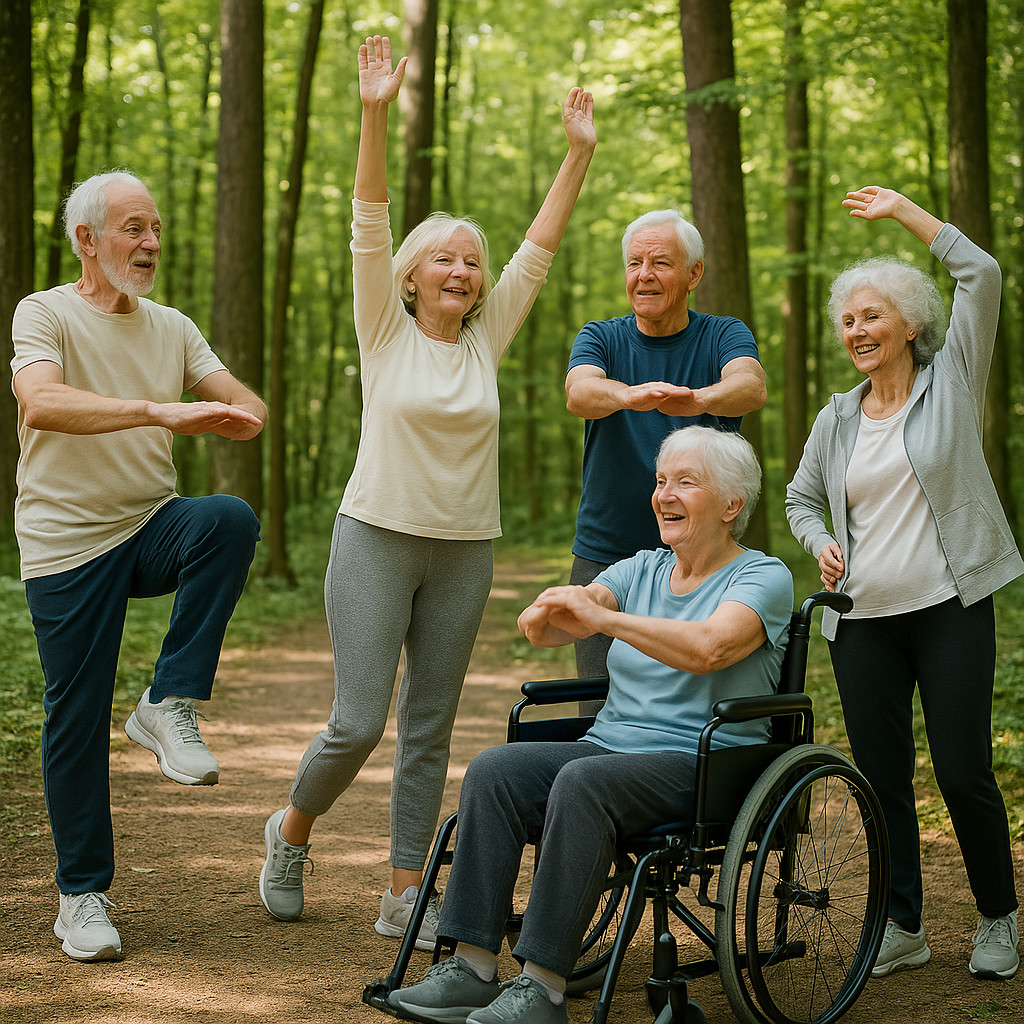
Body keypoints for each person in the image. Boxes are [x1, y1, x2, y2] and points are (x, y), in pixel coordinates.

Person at [258, 35, 596, 949]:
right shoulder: (383, 328)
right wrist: (374, 111)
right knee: (359, 720)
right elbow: (369, 212)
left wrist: (578, 154)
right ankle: (290, 833)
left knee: (430, 727)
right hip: (376, 535)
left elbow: (539, 246)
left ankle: (405, 890)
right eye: (444, 259)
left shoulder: (488, 338)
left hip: (463, 548)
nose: (461, 271)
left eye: (471, 263)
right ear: (410, 275)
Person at [387, 425, 793, 1024]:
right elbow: (549, 627)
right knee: (495, 771)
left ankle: (543, 990)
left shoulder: (763, 577)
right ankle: (471, 969)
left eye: (686, 481)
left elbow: (710, 648)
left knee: (582, 782)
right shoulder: (640, 570)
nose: (664, 495)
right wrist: (558, 608)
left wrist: (607, 622)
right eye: (660, 482)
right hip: (609, 747)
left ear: (733, 504)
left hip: (704, 763)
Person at [11, 171, 267, 962]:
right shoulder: (44, 312)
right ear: (87, 240)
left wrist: (233, 408)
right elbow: (41, 404)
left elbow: (247, 408)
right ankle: (81, 897)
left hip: (150, 524)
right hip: (66, 544)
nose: (151, 242)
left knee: (226, 518)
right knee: (75, 718)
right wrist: (158, 410)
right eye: (132, 228)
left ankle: (167, 701)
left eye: (154, 228)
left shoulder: (172, 326)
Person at [786, 186, 1021, 981]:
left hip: (949, 606)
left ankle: (998, 918)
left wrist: (904, 215)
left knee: (960, 770)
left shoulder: (951, 376)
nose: (857, 330)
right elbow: (798, 496)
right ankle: (903, 925)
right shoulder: (837, 418)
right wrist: (819, 541)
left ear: (911, 325)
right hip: (863, 622)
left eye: (872, 315)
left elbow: (981, 272)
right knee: (882, 779)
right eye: (848, 320)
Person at [565, 209, 766, 680]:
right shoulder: (602, 336)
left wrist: (699, 401)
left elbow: (750, 386)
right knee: (598, 704)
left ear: (694, 273)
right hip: (606, 551)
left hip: (703, 559)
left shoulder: (723, 333)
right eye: (634, 264)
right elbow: (579, 392)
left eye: (660, 263)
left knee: (687, 702)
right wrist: (627, 395)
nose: (644, 276)